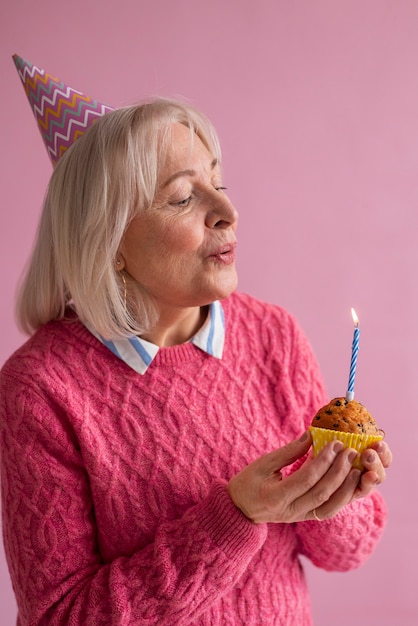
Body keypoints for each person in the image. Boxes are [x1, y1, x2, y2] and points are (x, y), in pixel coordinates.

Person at [0, 97, 392, 626]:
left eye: (218, 183)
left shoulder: (273, 335)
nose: (228, 212)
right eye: (183, 197)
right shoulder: (41, 389)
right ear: (109, 240)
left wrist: (335, 494)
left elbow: (346, 554)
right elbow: (61, 617)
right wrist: (235, 514)